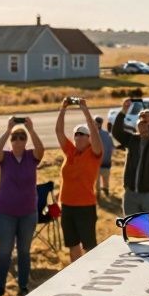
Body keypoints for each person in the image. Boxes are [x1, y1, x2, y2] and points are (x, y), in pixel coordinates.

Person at [0, 117, 44, 296]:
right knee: (4, 251)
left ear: (26, 140)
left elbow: (41, 149)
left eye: (22, 137)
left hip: (28, 212)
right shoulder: (5, 157)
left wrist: (31, 128)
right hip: (5, 212)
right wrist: (8, 130)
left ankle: (23, 287)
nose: (18, 140)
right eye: (15, 137)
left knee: (24, 251)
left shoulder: (31, 157)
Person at [54, 98, 102, 261]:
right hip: (67, 206)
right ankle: (76, 275)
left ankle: (91, 275)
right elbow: (59, 132)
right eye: (76, 134)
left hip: (85, 207)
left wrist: (85, 110)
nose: (79, 137)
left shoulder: (94, 153)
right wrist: (63, 108)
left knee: (89, 246)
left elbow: (95, 134)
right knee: (72, 245)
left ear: (89, 138)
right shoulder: (70, 152)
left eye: (83, 134)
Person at [110, 98, 149, 215]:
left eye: (146, 122)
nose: (143, 124)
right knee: (133, 230)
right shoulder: (132, 140)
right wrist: (123, 112)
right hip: (131, 194)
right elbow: (116, 132)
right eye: (141, 122)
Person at [95, 117, 114, 197]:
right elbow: (112, 148)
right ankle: (105, 191)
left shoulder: (93, 135)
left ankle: (99, 194)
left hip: (98, 163)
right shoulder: (107, 134)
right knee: (104, 180)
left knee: (97, 181)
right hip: (106, 162)